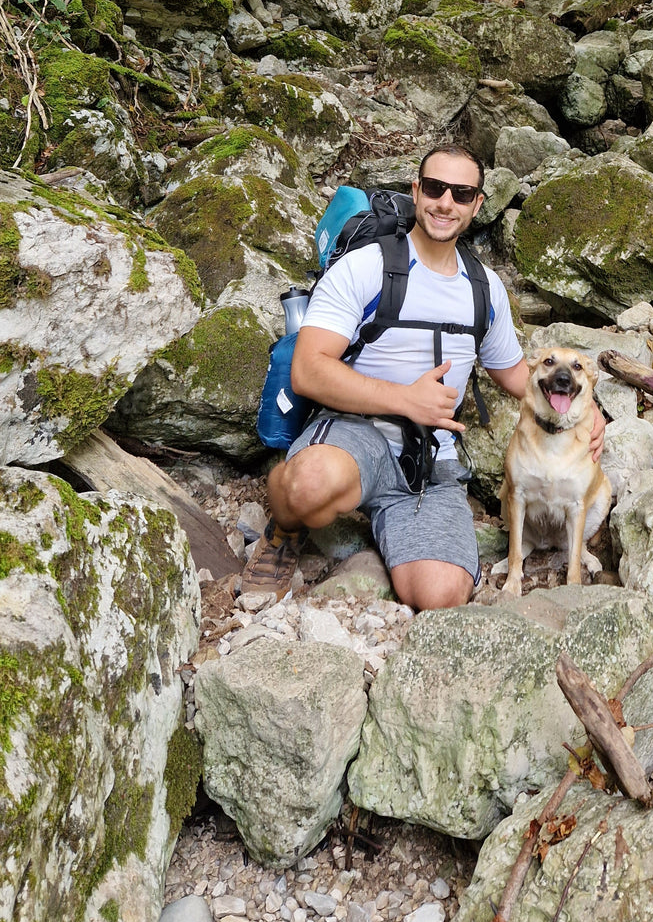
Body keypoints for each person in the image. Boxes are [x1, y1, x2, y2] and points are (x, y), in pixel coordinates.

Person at [242, 143, 604, 609]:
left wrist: (588, 412)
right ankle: (285, 530)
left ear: (477, 204)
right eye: (434, 188)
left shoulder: (483, 286)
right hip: (355, 434)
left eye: (461, 193)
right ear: (416, 191)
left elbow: (516, 374)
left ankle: (385, 525)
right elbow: (309, 370)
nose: (445, 202)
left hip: (429, 461)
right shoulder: (367, 266)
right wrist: (403, 399)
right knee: (307, 485)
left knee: (443, 594)